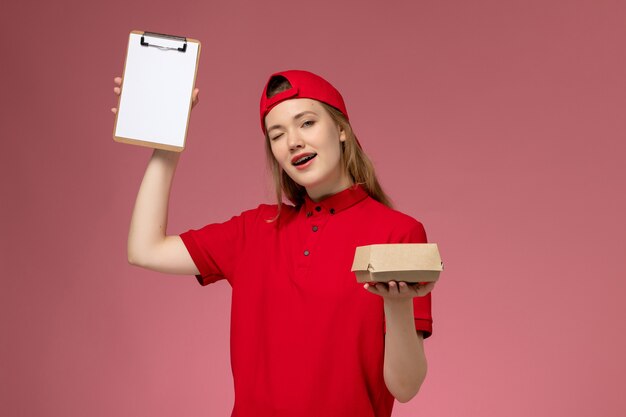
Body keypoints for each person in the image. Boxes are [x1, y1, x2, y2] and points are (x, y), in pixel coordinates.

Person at [112, 69, 436, 417]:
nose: (293, 141)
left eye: (306, 123)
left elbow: (405, 388)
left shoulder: (398, 234)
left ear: (341, 130)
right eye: (276, 135)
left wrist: (398, 305)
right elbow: (144, 249)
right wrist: (167, 143)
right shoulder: (255, 229)